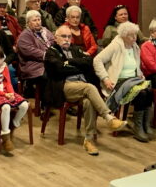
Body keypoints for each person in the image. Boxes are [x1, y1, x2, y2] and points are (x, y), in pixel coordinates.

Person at [44, 26, 126, 156]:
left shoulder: (76, 49)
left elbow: (89, 61)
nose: (67, 39)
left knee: (88, 101)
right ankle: (108, 116)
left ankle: (88, 140)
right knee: (89, 87)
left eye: (69, 37)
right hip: (63, 86)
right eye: (63, 37)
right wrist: (79, 67)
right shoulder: (51, 52)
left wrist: (69, 62)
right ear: (56, 38)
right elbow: (59, 69)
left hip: (81, 87)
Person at [94, 22, 154, 142]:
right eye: (131, 36)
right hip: (119, 82)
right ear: (123, 36)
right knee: (141, 93)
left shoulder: (134, 46)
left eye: (135, 35)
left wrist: (139, 73)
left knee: (149, 90)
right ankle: (138, 128)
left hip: (133, 80)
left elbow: (135, 65)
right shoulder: (115, 45)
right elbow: (97, 60)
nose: (134, 38)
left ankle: (144, 124)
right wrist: (105, 78)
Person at [17, 10, 54, 102]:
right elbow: (30, 51)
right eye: (34, 20)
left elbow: (54, 42)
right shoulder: (24, 35)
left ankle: (57, 101)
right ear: (28, 23)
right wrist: (48, 55)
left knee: (60, 73)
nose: (38, 22)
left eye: (39, 19)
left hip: (49, 62)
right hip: (33, 65)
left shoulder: (46, 31)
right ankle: (46, 103)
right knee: (48, 75)